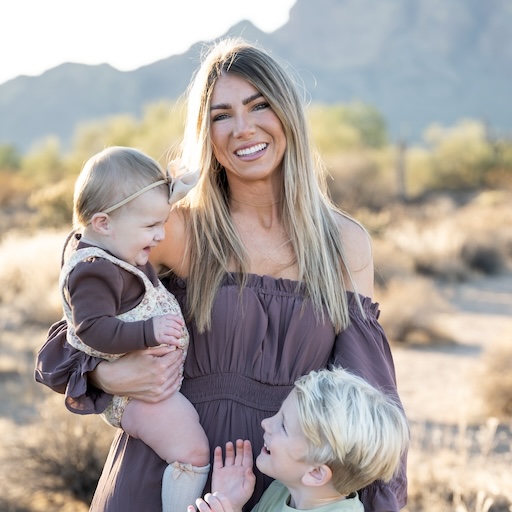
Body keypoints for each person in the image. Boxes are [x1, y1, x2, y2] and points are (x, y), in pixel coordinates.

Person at [35, 37, 408, 511]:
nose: (242, 129)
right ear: (205, 133)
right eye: (221, 115)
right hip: (162, 478)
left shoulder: (343, 243)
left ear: (288, 114)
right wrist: (111, 374)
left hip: (280, 490)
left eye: (259, 106)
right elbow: (84, 276)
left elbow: (367, 395)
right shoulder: (176, 230)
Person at [58, 146, 209, 512]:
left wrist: (168, 194)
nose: (160, 236)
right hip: (138, 394)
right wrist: (149, 332)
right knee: (192, 452)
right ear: (104, 223)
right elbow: (90, 328)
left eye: (163, 221)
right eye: (151, 226)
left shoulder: (116, 248)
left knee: (191, 445)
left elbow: (137, 208)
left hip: (150, 389)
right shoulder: (93, 270)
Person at [188, 367, 410, 512]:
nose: (266, 423)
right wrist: (233, 505)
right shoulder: (280, 492)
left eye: (283, 425)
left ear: (315, 473)